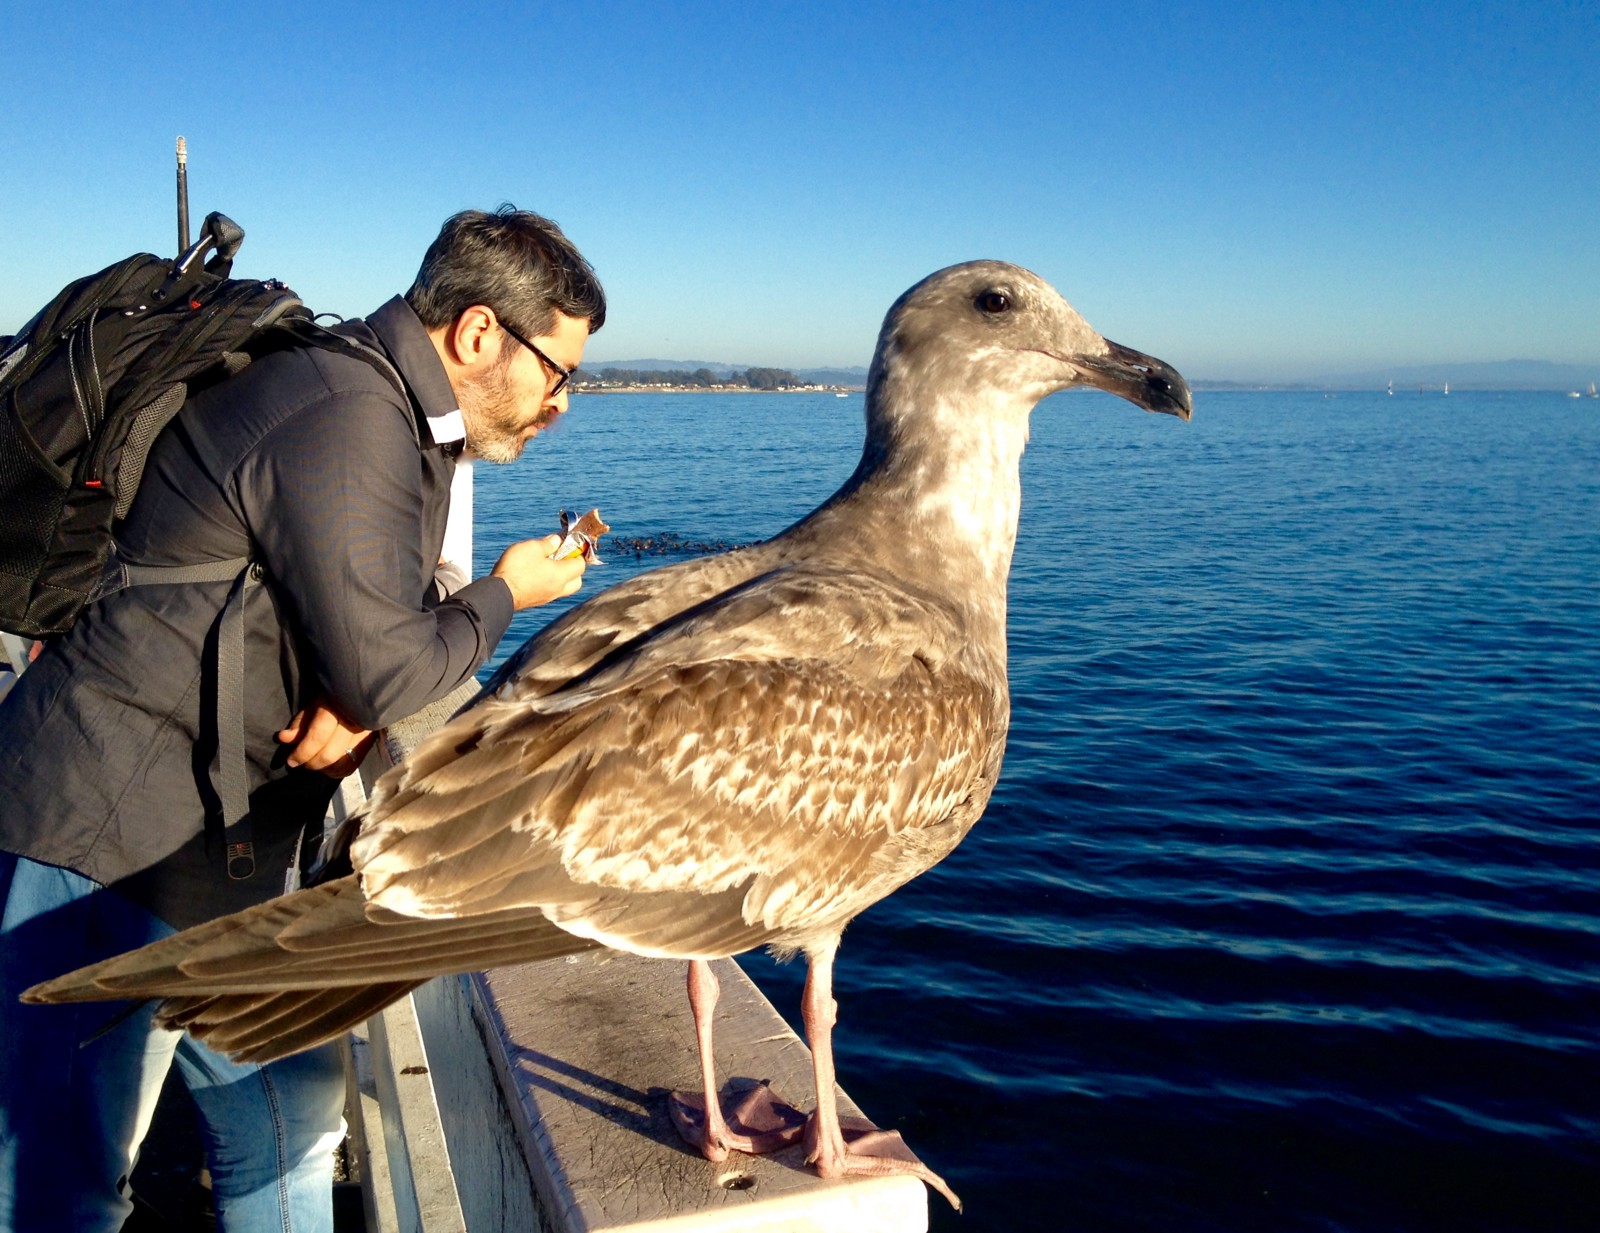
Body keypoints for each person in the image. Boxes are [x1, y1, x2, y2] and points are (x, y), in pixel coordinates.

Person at [0, 206, 606, 1232]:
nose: (559, 405)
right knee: (63, 1186)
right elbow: (384, 666)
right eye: (558, 372)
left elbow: (360, 638)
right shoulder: (346, 411)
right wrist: (508, 591)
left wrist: (360, 700)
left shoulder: (372, 406)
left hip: (216, 850)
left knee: (288, 1125)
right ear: (475, 336)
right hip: (100, 837)